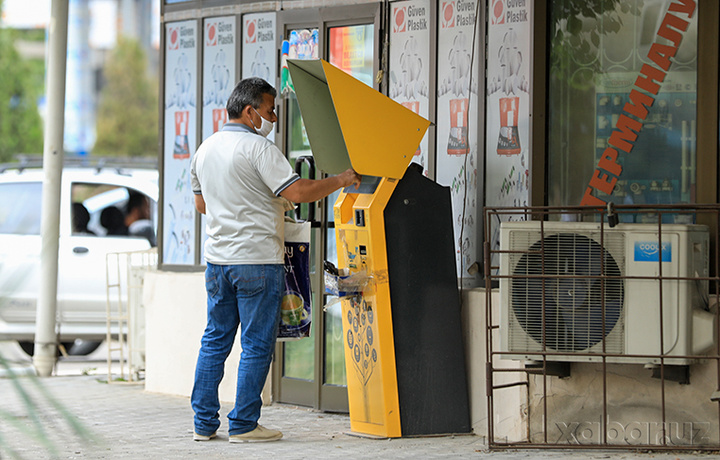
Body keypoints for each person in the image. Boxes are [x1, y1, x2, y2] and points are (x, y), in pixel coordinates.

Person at [189, 77, 360, 443]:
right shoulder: (258, 149)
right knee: (255, 344)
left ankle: (203, 424)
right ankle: (244, 424)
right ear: (250, 112)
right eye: (270, 110)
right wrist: (342, 179)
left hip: (218, 262)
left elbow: (202, 204)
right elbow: (298, 191)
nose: (274, 118)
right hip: (256, 261)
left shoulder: (205, 149)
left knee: (215, 339)